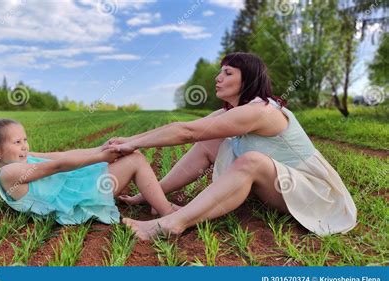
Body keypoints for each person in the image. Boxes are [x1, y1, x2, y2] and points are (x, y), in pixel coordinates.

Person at [108, 52, 357, 240]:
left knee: (252, 161)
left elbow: (186, 133)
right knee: (210, 140)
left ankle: (172, 224)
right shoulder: (234, 111)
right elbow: (181, 127)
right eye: (220, 72)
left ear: (247, 80)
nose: (218, 78)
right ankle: (151, 196)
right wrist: (130, 141)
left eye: (228, 73)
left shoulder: (260, 111)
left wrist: (132, 144)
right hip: (281, 187)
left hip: (314, 193)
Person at [0, 118, 180, 225]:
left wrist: (100, 148)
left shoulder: (22, 159)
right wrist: (100, 157)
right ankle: (166, 212)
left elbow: (61, 156)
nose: (25, 146)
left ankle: (155, 202)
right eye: (17, 142)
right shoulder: (10, 173)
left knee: (128, 158)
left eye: (25, 139)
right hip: (77, 198)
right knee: (136, 160)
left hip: (75, 188)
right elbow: (57, 166)